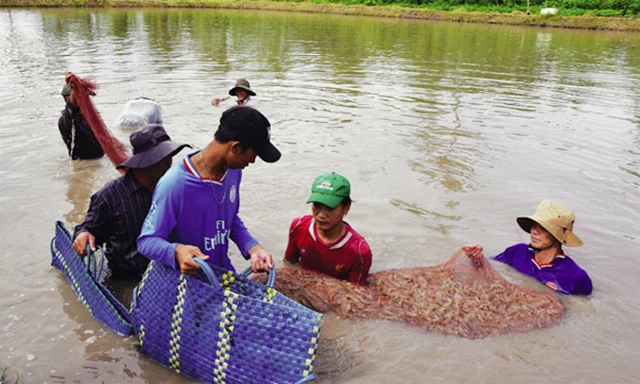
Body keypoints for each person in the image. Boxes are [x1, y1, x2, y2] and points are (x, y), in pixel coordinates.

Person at [137, 106, 281, 275]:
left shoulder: (234, 171)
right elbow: (147, 242)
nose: (253, 161)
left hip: (221, 273)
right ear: (234, 148)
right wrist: (177, 250)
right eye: (254, 153)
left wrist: (253, 247)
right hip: (188, 282)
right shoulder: (174, 185)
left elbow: (229, 218)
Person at [72, 124, 191, 279]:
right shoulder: (110, 196)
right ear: (142, 162)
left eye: (169, 157)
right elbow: (88, 229)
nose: (167, 163)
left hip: (171, 274)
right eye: (161, 158)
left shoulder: (175, 189)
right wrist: (83, 235)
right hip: (128, 278)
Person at [487, 200, 592, 295]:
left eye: (543, 228)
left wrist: (555, 296)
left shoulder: (576, 276)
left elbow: (583, 306)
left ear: (558, 236)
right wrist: (477, 259)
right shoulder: (516, 252)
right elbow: (492, 267)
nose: (534, 231)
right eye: (534, 225)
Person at [284, 172, 372, 285]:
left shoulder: (359, 252)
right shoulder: (298, 227)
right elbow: (289, 263)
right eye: (317, 206)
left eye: (330, 208)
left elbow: (354, 293)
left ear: (346, 207)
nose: (321, 215)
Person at [58, 83, 105, 160]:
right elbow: (71, 106)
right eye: (81, 96)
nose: (85, 99)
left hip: (98, 161)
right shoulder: (67, 120)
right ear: (67, 99)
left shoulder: (88, 116)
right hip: (83, 164)